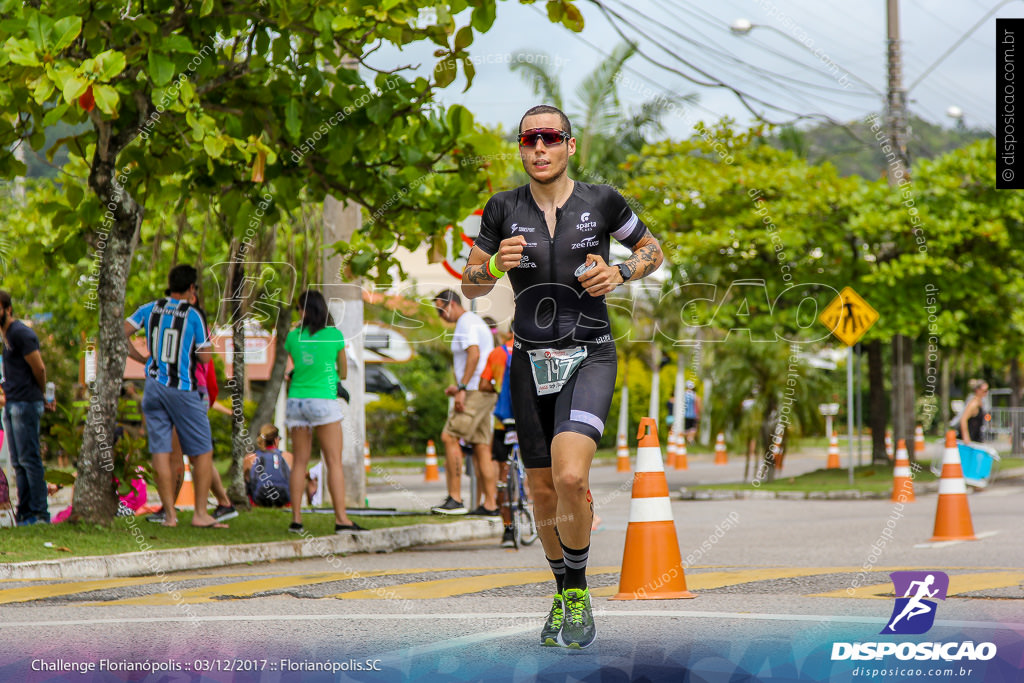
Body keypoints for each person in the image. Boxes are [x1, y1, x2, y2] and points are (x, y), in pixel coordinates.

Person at [461, 104, 664, 648]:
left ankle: (575, 589)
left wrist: (620, 271)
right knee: (543, 489)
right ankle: (565, 589)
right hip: (528, 359)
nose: (540, 149)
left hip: (590, 352)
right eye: (530, 140)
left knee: (572, 476)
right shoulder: (502, 209)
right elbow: (471, 286)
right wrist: (492, 265)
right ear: (521, 148)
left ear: (570, 146)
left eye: (550, 139)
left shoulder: (602, 200)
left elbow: (653, 250)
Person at [124, 265, 226, 528]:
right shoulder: (193, 315)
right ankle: (200, 514)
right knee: (203, 452)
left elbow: (119, 332)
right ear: (192, 288)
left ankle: (169, 516)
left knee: (161, 451)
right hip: (183, 388)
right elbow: (204, 357)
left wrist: (140, 358)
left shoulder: (150, 308)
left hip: (153, 387)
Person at [284, 289, 363, 533]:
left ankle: (296, 520)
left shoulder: (293, 336)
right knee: (333, 462)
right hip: (323, 401)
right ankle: (342, 520)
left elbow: (294, 369)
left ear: (304, 311)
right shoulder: (334, 335)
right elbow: (344, 372)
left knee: (299, 462)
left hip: (296, 401)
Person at [430, 289, 498, 516]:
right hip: (483, 391)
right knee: (480, 447)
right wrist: (459, 386)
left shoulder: (465, 323)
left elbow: (474, 355)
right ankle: (490, 504)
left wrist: (461, 388)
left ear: (450, 304)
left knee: (449, 437)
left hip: (473, 392)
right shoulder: (474, 322)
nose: (441, 316)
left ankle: (456, 498)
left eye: (440, 309)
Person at [1, 289, 55, 525]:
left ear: (7, 309)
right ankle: (25, 511)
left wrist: (40, 395)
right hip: (12, 403)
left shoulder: (21, 333)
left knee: (30, 459)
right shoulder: (6, 336)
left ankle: (39, 513)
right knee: (17, 461)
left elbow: (39, 369)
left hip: (26, 403)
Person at [479, 326, 515, 546]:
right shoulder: (537, 349)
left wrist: (499, 390)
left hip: (503, 422)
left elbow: (484, 384)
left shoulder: (497, 353)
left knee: (503, 475)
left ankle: (508, 530)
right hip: (529, 421)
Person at [244, 424, 299, 507]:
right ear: (276, 440)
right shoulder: (287, 456)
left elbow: (244, 481)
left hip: (258, 501)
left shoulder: (250, 458)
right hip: (284, 501)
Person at [958, 379, 990, 444]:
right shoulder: (973, 404)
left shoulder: (980, 403)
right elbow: (963, 419)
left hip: (976, 438)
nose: (986, 393)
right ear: (977, 390)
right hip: (970, 439)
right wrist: (966, 437)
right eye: (984, 391)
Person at [683, 380, 701, 444]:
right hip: (693, 414)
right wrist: (698, 413)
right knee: (693, 428)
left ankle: (687, 440)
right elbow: (698, 404)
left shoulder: (683, 394)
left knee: (687, 428)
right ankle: (690, 439)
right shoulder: (694, 395)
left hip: (685, 414)